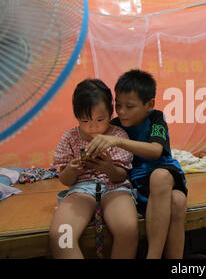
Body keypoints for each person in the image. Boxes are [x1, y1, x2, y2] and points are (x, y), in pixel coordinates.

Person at [86, 70, 188, 259]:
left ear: (149, 104)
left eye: (129, 106)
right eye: (118, 104)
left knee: (160, 176)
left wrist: (118, 141)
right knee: (178, 202)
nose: (122, 111)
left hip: (165, 175)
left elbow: (156, 150)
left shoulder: (156, 118)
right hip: (139, 183)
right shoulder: (114, 125)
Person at [49, 79, 139, 259]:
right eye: (85, 120)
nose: (93, 126)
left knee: (128, 229)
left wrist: (108, 168)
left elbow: (121, 176)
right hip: (81, 189)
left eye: (100, 119)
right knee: (61, 235)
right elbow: (65, 180)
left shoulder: (118, 136)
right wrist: (72, 170)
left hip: (115, 189)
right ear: (76, 116)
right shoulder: (70, 137)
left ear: (110, 112)